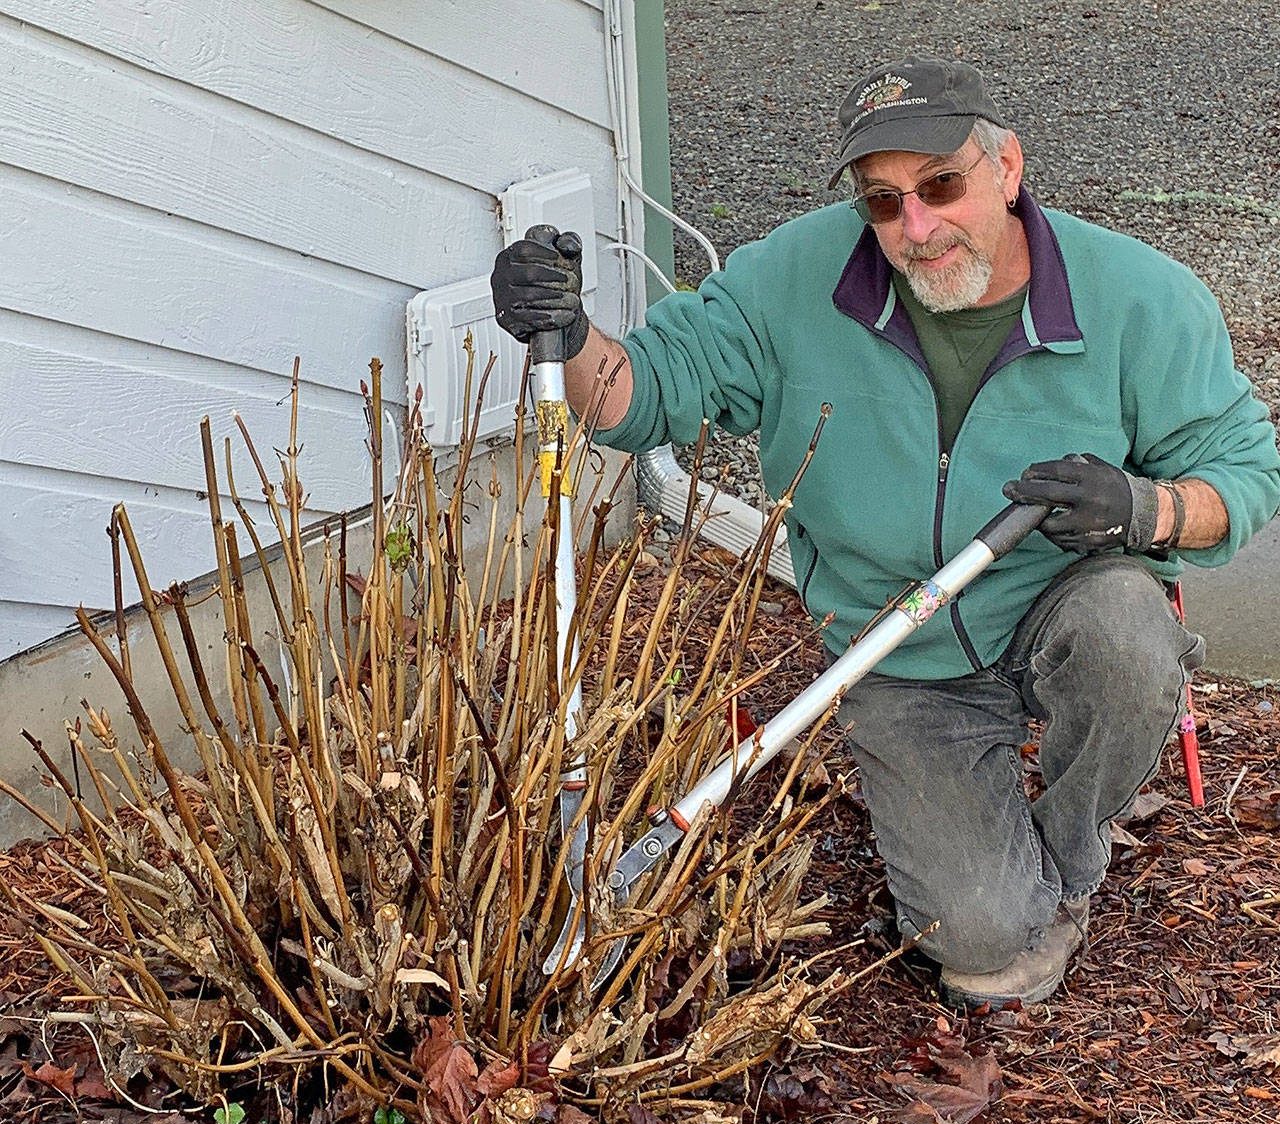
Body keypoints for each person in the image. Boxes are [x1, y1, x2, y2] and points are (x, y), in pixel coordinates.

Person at [489, 56, 1280, 1010]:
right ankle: (997, 874)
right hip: (895, 642)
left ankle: (1070, 861)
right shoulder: (790, 282)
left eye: (942, 185)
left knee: (1127, 637)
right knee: (985, 954)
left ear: (1008, 169)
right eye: (882, 201)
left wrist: (1144, 509)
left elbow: (1249, 473)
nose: (916, 226)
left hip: (1054, 599)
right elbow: (644, 392)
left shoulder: (1141, 300)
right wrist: (567, 339)